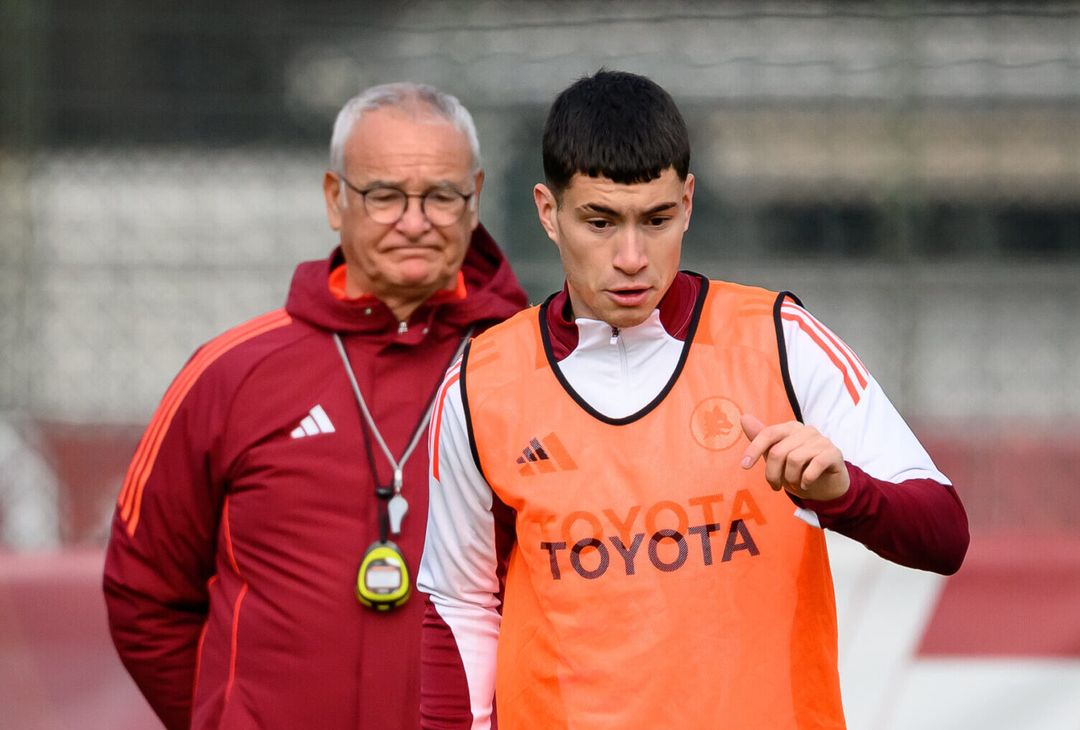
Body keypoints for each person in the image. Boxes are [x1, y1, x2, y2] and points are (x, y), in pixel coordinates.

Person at [417, 70, 969, 729]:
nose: (631, 256)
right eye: (600, 221)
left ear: (688, 201)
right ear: (547, 212)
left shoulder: (778, 338)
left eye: (656, 220)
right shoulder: (483, 380)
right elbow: (458, 609)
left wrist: (843, 494)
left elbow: (945, 533)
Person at [103, 82, 527, 730]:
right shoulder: (232, 373)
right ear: (336, 198)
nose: (414, 222)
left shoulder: (537, 371)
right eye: (384, 194)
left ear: (475, 198)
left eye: (441, 196)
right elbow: (144, 593)